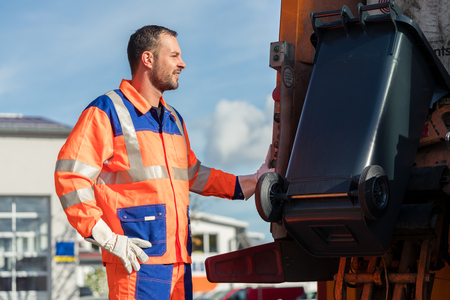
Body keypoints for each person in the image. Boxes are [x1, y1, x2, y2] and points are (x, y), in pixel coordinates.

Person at [54, 25, 271, 300]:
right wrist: (106, 237)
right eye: (174, 56)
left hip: (180, 263)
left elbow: (193, 174)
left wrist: (254, 181)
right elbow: (70, 177)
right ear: (148, 59)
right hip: (136, 262)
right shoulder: (106, 111)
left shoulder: (173, 119)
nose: (182, 63)